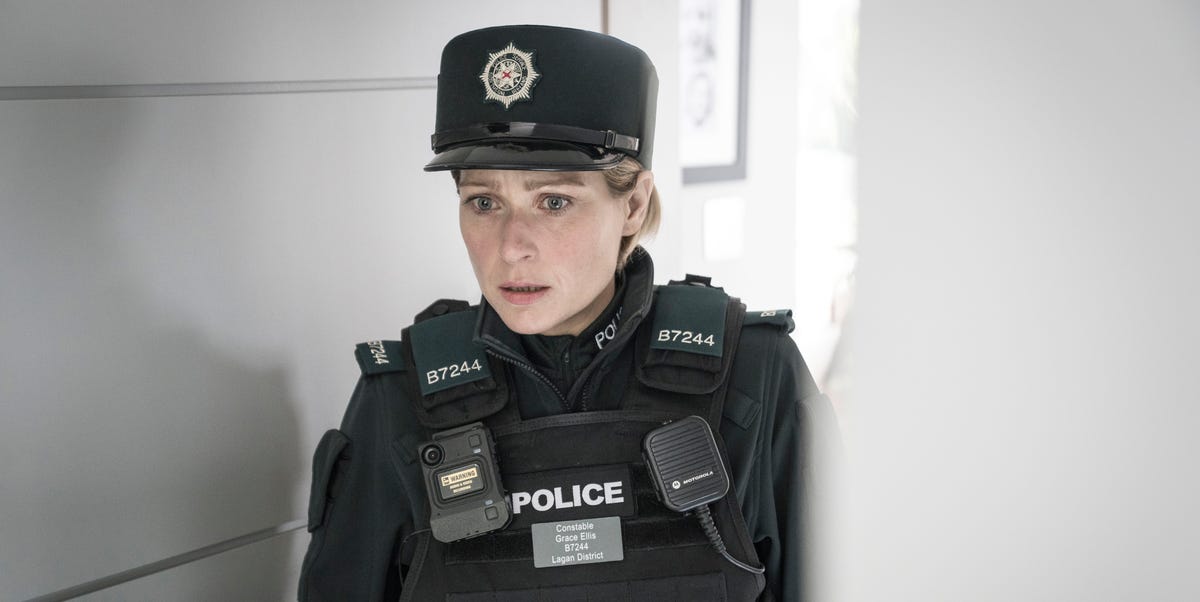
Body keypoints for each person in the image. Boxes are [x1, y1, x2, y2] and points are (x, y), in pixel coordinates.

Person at [298, 24, 837, 601]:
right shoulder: (397, 397)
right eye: (484, 202)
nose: (511, 247)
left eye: (553, 202)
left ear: (633, 205)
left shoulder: (755, 373)